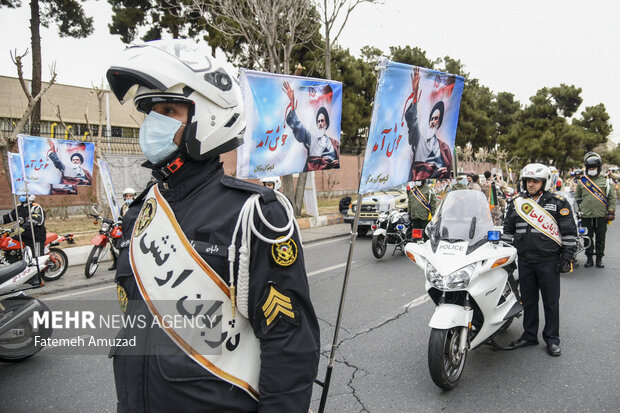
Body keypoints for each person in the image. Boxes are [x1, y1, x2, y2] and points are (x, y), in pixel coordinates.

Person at [106, 39, 319, 413]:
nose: (153, 123)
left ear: (210, 115)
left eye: (169, 110)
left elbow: (289, 345)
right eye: (151, 111)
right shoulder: (138, 213)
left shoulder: (254, 215)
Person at [504, 163, 577, 357]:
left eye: (535, 181)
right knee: (528, 301)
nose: (531, 184)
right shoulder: (516, 202)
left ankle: (552, 339)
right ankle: (529, 335)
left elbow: (569, 232)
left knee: (550, 302)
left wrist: (567, 257)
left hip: (549, 261)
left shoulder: (558, 202)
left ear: (544, 182)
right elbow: (508, 232)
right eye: (528, 181)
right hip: (525, 260)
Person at [405, 67, 453, 181]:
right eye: (431, 118)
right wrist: (415, 93)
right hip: (419, 188)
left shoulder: (444, 148)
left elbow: (449, 173)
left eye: (436, 118)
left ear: (440, 121)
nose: (433, 121)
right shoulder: (419, 139)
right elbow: (412, 120)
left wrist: (445, 172)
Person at [282, 82, 340, 171]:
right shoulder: (311, 138)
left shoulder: (335, 143)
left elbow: (337, 161)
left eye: (322, 121)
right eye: (318, 121)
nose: (320, 123)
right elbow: (297, 125)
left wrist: (333, 163)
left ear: (326, 123)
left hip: (330, 175)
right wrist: (292, 101)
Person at [575, 152, 616, 268]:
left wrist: (611, 211)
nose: (592, 169)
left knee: (600, 238)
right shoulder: (582, 181)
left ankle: (599, 258)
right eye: (590, 168)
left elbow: (611, 198)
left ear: (598, 168)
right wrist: (578, 211)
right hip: (586, 215)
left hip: (601, 215)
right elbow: (577, 198)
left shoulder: (605, 181)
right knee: (588, 239)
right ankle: (589, 259)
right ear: (587, 168)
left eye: (594, 167)